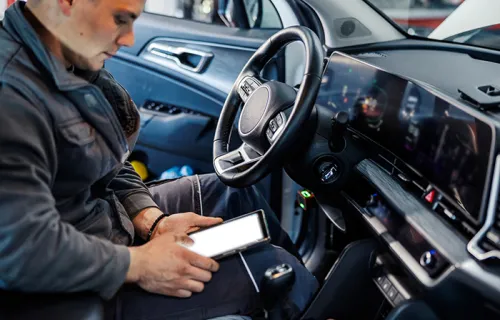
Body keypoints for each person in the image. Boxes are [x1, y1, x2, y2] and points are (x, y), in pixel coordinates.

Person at [0, 0, 318, 319]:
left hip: (100, 224)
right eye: (120, 19)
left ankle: (312, 298)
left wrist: (152, 220)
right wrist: (141, 265)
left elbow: (109, 161)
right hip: (58, 291)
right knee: (274, 270)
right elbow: (20, 250)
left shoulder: (68, 59)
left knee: (233, 194)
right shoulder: (12, 96)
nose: (129, 39)